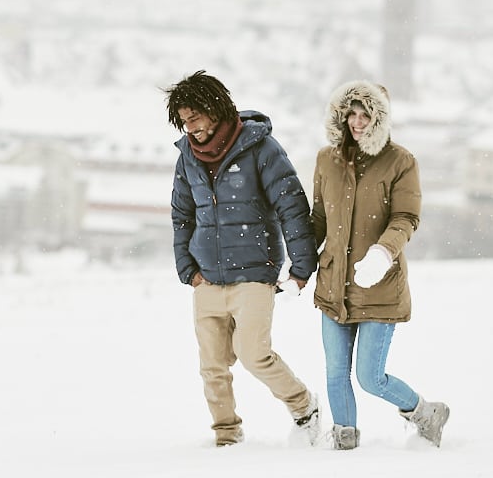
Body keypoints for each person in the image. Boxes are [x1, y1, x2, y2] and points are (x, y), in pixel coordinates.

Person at [167, 71, 322, 447]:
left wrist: (301, 268)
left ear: (214, 108)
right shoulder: (187, 156)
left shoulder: (261, 149)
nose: (190, 128)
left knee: (253, 353)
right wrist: (188, 270)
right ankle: (226, 436)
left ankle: (304, 408)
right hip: (207, 277)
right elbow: (181, 215)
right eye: (184, 121)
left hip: (254, 273)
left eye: (195, 118)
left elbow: (292, 209)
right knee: (213, 367)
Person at [309, 79, 450, 449]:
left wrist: (383, 252)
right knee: (336, 374)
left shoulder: (400, 162)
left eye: (365, 114)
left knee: (370, 377)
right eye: (351, 113)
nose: (357, 122)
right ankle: (344, 440)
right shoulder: (327, 159)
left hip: (378, 286)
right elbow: (319, 219)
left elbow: (405, 217)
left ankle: (426, 413)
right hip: (333, 283)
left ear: (380, 118)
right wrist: (295, 263)